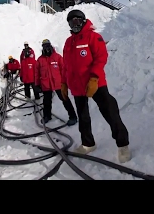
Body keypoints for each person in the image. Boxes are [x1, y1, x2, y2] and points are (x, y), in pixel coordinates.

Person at [61, 9, 131, 163]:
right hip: (76, 86)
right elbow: (66, 65)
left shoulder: (93, 37)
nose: (75, 24)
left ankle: (123, 145)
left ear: (84, 20)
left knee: (110, 112)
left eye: (77, 21)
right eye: (71, 22)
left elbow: (101, 58)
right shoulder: (68, 42)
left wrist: (94, 78)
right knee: (83, 117)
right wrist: (64, 82)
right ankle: (88, 143)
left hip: (95, 84)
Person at [35, 39, 78, 126]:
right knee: (46, 101)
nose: (46, 48)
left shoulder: (58, 57)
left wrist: (66, 82)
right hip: (46, 84)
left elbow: (64, 70)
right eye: (44, 46)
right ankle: (47, 116)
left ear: (50, 46)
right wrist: (37, 84)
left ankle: (73, 116)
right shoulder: (40, 60)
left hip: (59, 83)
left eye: (48, 45)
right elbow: (36, 73)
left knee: (65, 99)